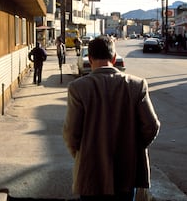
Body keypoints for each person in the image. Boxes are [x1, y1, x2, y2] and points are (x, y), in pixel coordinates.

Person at [63, 35, 160, 201]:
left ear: (90, 58)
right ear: (114, 58)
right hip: (127, 172)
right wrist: (132, 148)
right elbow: (151, 126)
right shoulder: (137, 85)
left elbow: (71, 133)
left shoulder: (78, 88)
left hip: (91, 172)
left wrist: (82, 154)